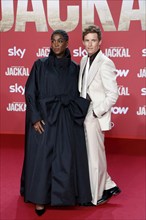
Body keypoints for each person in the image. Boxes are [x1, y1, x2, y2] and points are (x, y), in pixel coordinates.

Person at [20, 29, 92, 216]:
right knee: (43, 159)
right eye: (53, 41)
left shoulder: (75, 68)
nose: (56, 44)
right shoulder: (40, 65)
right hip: (44, 118)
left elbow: (80, 93)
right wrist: (35, 117)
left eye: (60, 41)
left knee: (65, 158)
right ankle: (39, 200)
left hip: (66, 119)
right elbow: (30, 93)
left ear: (67, 43)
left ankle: (65, 197)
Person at [78, 25, 121, 206]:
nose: (90, 44)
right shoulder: (83, 60)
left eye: (93, 40)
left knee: (95, 156)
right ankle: (108, 184)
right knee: (91, 154)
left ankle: (96, 196)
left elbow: (113, 94)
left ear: (100, 42)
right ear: (83, 42)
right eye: (87, 40)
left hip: (95, 114)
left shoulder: (106, 62)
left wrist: (97, 112)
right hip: (83, 113)